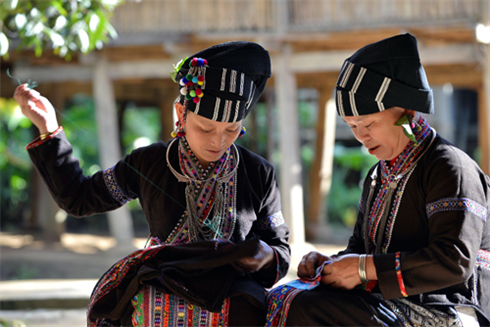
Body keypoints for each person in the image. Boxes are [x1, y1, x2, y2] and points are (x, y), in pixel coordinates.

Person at [13, 41, 290, 327]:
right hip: (164, 278)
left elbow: (279, 248)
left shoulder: (258, 172)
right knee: (135, 310)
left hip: (232, 289)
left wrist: (266, 255)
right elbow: (79, 198)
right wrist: (49, 129)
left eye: (232, 130)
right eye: (205, 128)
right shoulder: (151, 162)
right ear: (181, 115)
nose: (218, 141)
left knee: (248, 312)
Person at [265, 33, 490, 327]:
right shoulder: (378, 175)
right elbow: (361, 250)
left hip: (450, 311)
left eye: (368, 123)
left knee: (309, 308)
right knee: (285, 296)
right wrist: (331, 264)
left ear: (407, 112)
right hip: (389, 302)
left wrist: (361, 267)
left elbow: (453, 261)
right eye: (352, 126)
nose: (360, 135)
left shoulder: (450, 166)